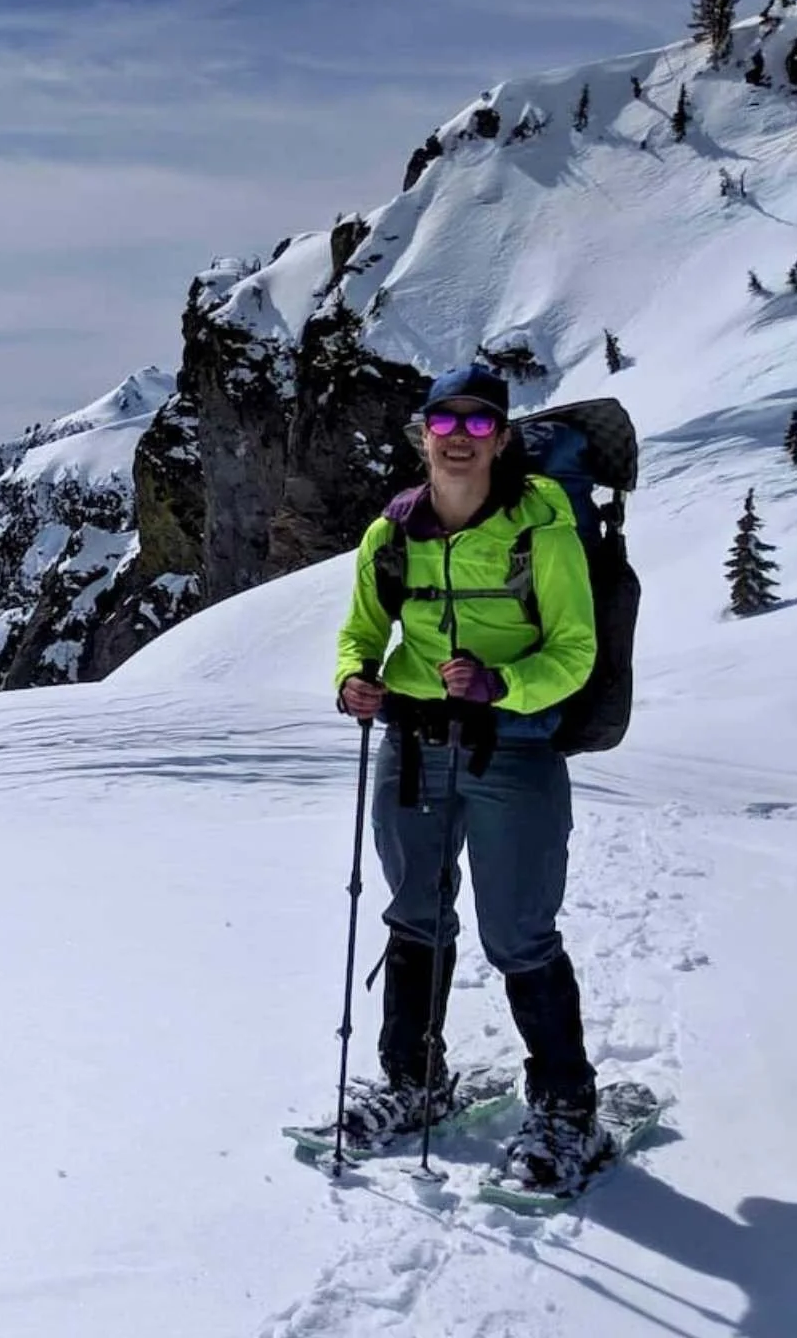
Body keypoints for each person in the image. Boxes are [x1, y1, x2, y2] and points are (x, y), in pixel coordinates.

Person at [333, 361, 606, 1191]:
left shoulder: (541, 528)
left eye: (479, 424)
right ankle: (414, 1082)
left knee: (517, 931)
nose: (459, 439)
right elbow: (359, 631)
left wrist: (503, 687)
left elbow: (576, 650)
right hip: (412, 744)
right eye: (444, 424)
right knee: (414, 914)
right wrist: (353, 680)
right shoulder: (392, 533)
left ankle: (569, 1111)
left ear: (504, 438)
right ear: (423, 434)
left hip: (512, 748)